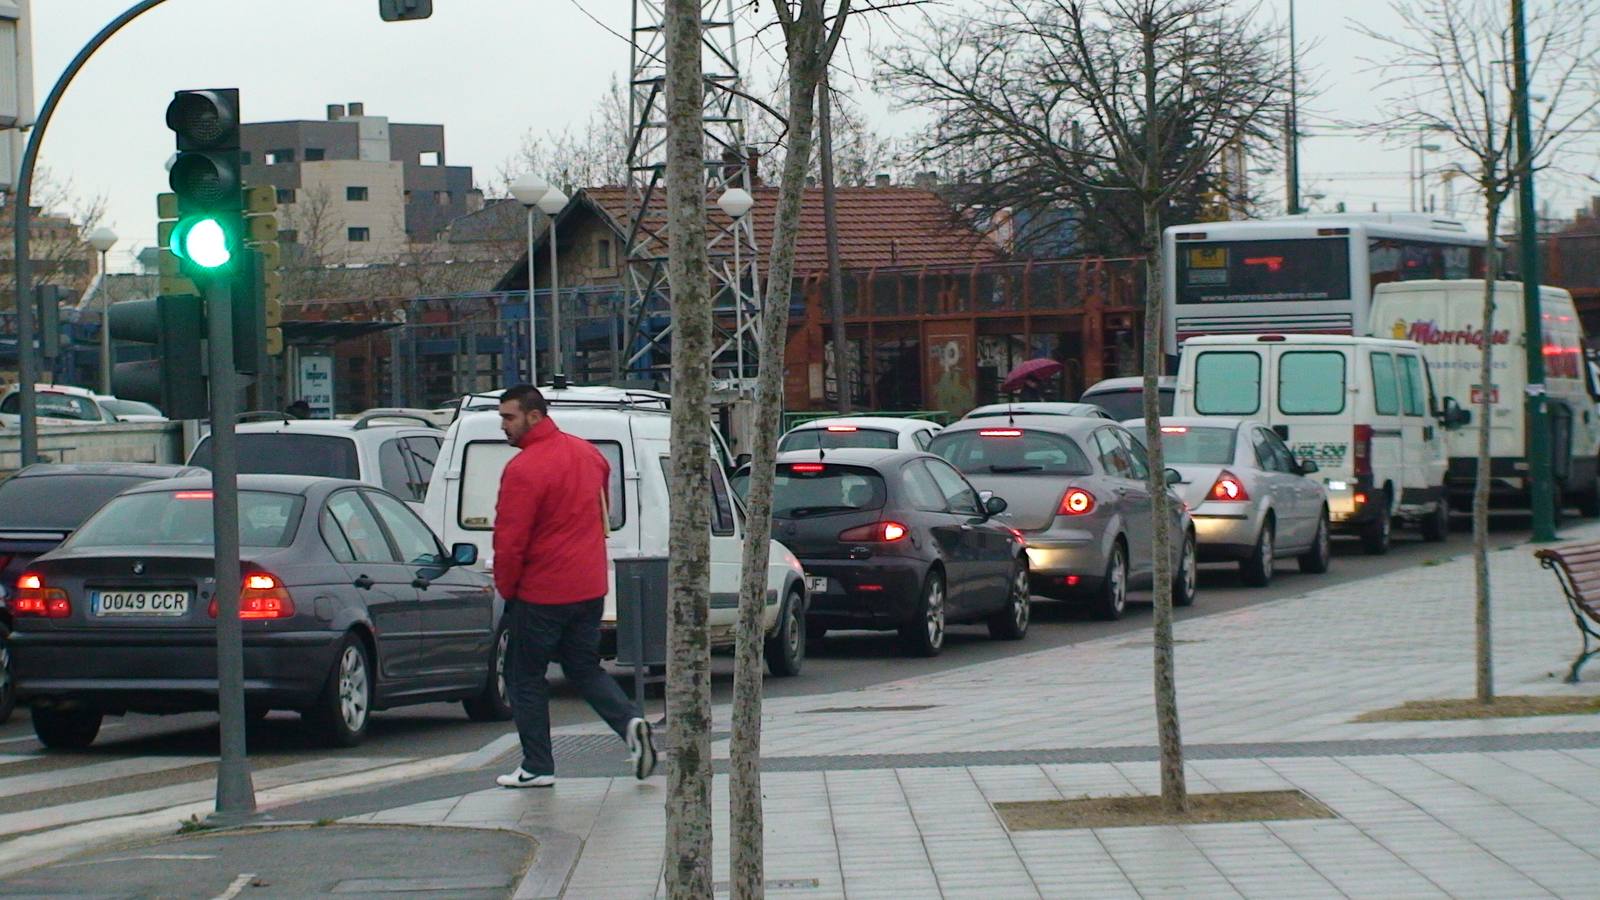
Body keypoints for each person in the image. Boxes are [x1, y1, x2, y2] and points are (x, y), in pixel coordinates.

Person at [492, 384, 656, 788]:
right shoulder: (590, 455)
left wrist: (507, 589)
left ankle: (537, 766)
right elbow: (602, 511)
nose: (504, 426)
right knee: (583, 666)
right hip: (589, 585)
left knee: (524, 676)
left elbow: (510, 540)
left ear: (533, 415)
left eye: (509, 417)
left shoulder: (524, 469)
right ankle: (630, 721)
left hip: (542, 588)